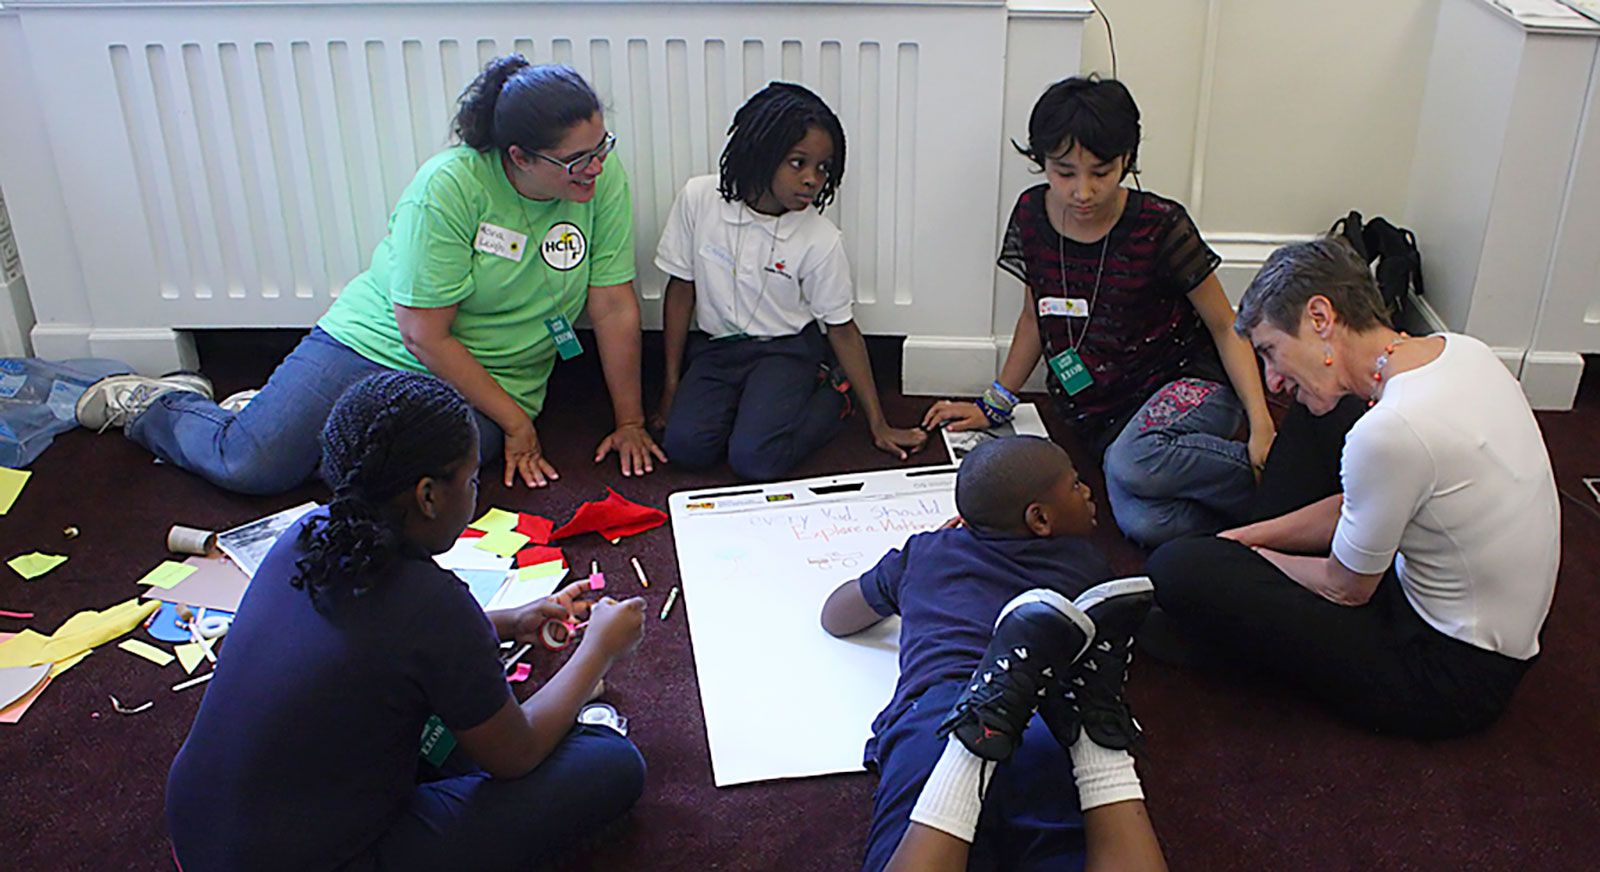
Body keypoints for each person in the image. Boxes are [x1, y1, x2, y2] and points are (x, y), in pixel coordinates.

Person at [76, 56, 663, 495]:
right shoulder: (448, 187)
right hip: (377, 341)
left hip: (493, 374)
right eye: (577, 159)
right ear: (519, 157)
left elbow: (611, 305)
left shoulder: (600, 180)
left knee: (369, 481)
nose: (598, 165)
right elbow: (423, 335)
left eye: (601, 145)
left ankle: (279, 413)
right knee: (251, 468)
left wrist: (630, 421)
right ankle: (157, 408)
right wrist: (516, 425)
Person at [165, 371, 649, 871]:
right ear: (428, 496)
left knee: (444, 721)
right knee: (611, 765)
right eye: (471, 481)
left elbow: (383, 637)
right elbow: (516, 755)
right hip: (319, 859)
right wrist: (599, 648)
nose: (475, 492)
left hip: (198, 828)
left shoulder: (306, 533)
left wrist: (507, 621)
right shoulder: (433, 601)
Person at [1147, 237, 1560, 738]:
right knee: (1316, 407)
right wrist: (1245, 541)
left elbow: (1344, 589)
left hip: (1448, 674)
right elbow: (1357, 500)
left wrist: (1241, 555)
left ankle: (1224, 629)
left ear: (1321, 316)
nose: (1272, 380)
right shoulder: (1461, 351)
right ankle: (1230, 601)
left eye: (1271, 352)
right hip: (1485, 621)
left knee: (1176, 565)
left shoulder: (1389, 432)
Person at [921, 76, 1274, 547]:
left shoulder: (1159, 224)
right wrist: (996, 403)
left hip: (1190, 383)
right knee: (1144, 524)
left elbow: (1224, 325)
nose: (1082, 191)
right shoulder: (1031, 214)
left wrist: (1263, 422)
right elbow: (1034, 319)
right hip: (1104, 414)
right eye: (1064, 172)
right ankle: (1260, 515)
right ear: (1040, 161)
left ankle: (1292, 480)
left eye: (1101, 172)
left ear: (1127, 160)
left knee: (1133, 463)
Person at [819, 436, 1160, 870]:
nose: (1088, 491)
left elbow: (835, 616)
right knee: (1067, 846)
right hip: (1043, 723)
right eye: (1076, 485)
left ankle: (974, 743)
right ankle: (1097, 748)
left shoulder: (924, 552)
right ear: (1039, 519)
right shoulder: (1085, 565)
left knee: (912, 833)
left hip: (933, 717)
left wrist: (912, 562)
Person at [652, 82, 926, 481]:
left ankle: (833, 396)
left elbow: (842, 329)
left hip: (785, 352)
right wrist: (671, 386)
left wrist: (878, 423)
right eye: (798, 163)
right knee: (685, 448)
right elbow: (681, 292)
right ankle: (748, 410)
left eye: (823, 168)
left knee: (754, 460)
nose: (812, 179)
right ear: (760, 152)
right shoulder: (698, 199)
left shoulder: (819, 238)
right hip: (717, 349)